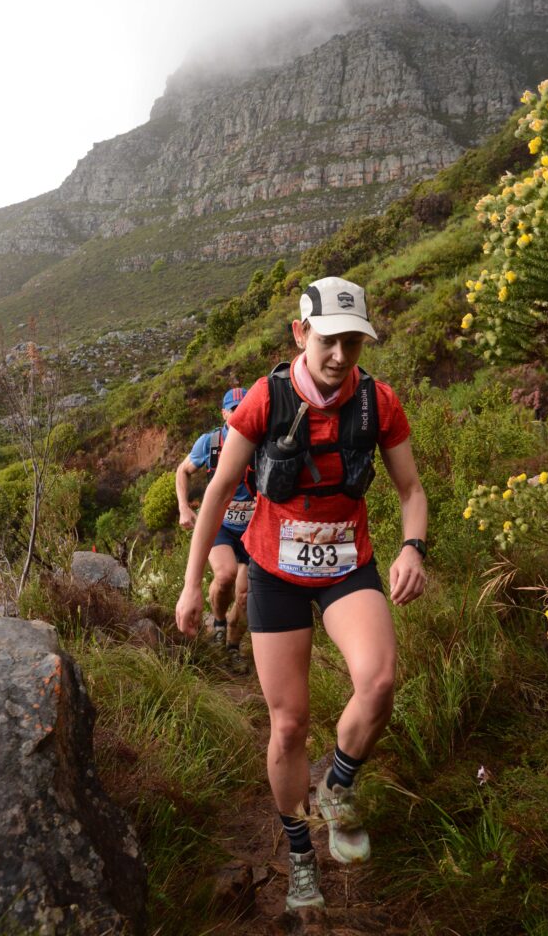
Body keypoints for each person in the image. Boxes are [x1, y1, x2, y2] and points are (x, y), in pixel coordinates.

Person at [175, 277, 427, 913]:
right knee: (289, 725)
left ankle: (337, 783)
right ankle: (300, 856)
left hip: (347, 566)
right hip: (276, 573)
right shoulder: (266, 399)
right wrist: (189, 586)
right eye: (327, 340)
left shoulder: (379, 403)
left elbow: (411, 492)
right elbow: (216, 491)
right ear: (301, 333)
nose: (339, 355)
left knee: (378, 682)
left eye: (352, 342)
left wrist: (411, 548)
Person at [175, 386, 253, 672]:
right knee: (225, 574)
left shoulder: (261, 442)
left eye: (244, 408)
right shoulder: (210, 443)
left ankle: (232, 648)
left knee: (244, 596)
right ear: (224, 413)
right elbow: (183, 470)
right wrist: (184, 507)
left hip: (253, 530)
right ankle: (218, 621)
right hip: (221, 526)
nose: (239, 414)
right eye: (234, 409)